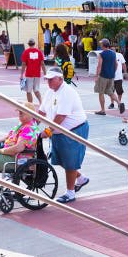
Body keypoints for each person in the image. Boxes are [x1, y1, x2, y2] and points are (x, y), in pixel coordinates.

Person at [39, 67, 89, 203]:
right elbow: (41, 111)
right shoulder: (50, 91)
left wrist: (48, 131)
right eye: (47, 80)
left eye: (51, 79)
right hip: (58, 131)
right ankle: (81, 178)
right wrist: (31, 124)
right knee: (59, 159)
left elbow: (61, 116)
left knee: (70, 162)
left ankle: (70, 193)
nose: (48, 82)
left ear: (60, 79)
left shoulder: (67, 92)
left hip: (74, 130)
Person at [0, 102, 40, 202]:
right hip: (8, 154)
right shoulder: (21, 125)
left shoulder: (29, 128)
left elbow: (17, 148)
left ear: (30, 114)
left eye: (21, 112)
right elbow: (8, 136)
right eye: (19, 112)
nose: (19, 114)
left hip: (15, 158)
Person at [95, 39, 122, 115]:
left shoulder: (101, 54)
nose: (100, 45)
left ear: (103, 45)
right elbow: (116, 64)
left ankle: (103, 110)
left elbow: (99, 66)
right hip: (111, 76)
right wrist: (113, 72)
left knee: (101, 92)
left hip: (103, 75)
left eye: (101, 44)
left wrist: (96, 76)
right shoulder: (113, 53)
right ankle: (119, 103)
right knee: (110, 91)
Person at [20, 38, 46, 104]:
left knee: (28, 91)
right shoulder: (39, 52)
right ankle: (41, 102)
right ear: (34, 44)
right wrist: (45, 73)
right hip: (37, 74)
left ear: (28, 44)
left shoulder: (26, 52)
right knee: (36, 90)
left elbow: (23, 64)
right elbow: (42, 64)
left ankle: (30, 105)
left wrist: (21, 74)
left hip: (29, 74)